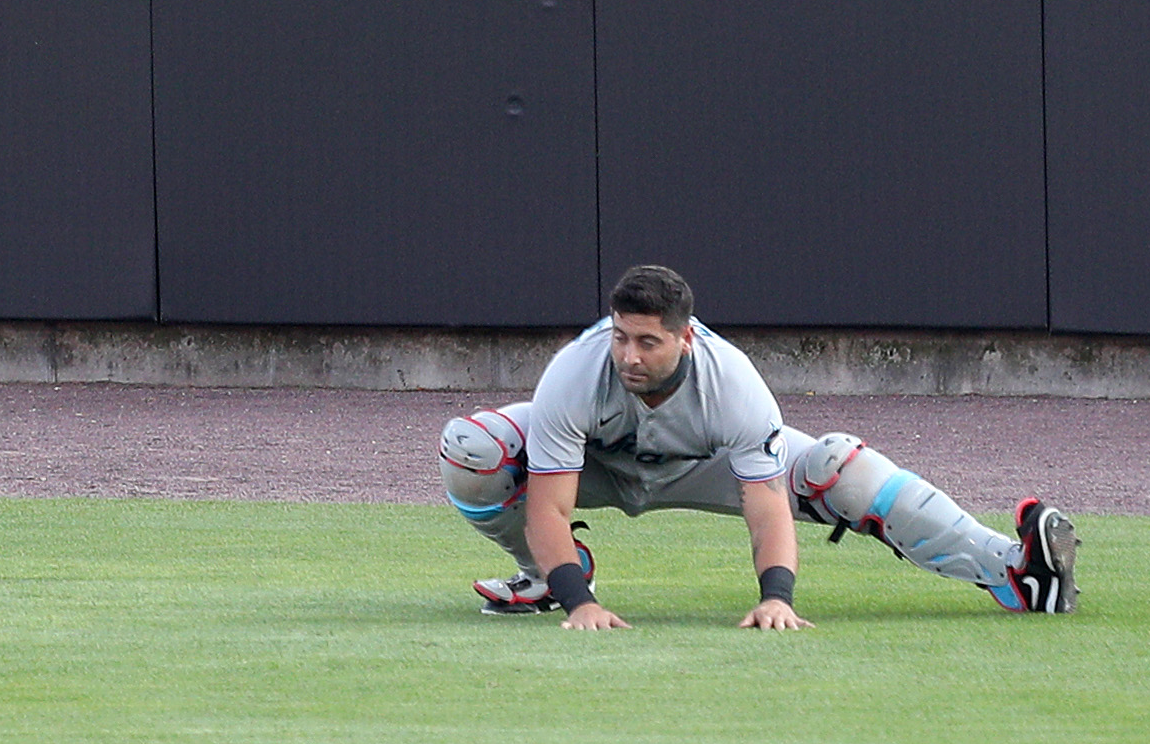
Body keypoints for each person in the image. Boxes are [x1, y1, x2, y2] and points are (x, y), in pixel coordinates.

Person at [441, 264, 1079, 629]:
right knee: (475, 449)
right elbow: (549, 506)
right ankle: (548, 578)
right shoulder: (575, 374)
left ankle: (1017, 572)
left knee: (841, 469)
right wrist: (581, 603)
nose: (630, 355)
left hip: (703, 467)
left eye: (648, 342)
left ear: (685, 337)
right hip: (601, 467)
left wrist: (777, 596)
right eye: (621, 338)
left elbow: (767, 503)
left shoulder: (734, 383)